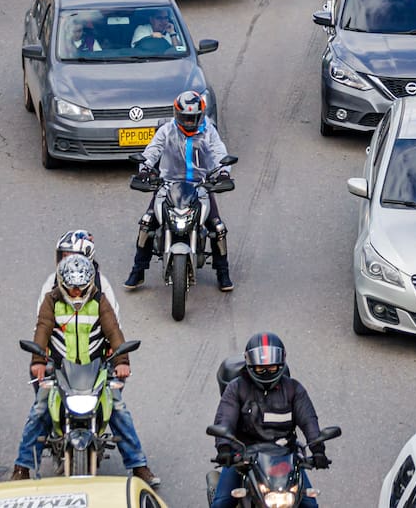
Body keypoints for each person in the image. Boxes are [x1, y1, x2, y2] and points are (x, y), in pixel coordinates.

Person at [11, 255, 157, 485]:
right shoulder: (51, 301)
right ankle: (22, 467)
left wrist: (122, 362)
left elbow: (113, 331)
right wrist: (38, 360)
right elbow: (42, 329)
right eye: (72, 289)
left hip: (96, 369)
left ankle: (139, 466)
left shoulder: (99, 301)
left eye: (81, 289)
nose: (77, 293)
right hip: (59, 369)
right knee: (40, 409)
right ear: (62, 283)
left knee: (118, 408)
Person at [124, 90, 235, 291]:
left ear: (200, 115)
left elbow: (219, 153)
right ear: (177, 114)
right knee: (147, 222)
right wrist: (145, 171)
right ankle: (138, 271)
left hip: (200, 186)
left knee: (218, 227)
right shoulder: (166, 131)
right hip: (167, 184)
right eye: (185, 117)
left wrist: (223, 173)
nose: (189, 122)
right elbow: (152, 151)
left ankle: (223, 272)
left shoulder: (209, 131)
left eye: (193, 118)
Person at [210, 332, 331, 508]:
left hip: (285, 458)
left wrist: (318, 450)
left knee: (311, 506)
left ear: (281, 364)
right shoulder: (235, 388)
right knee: (221, 504)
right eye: (261, 368)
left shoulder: (294, 390)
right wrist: (225, 449)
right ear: (250, 365)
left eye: (272, 367)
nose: (266, 372)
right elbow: (224, 419)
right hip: (244, 457)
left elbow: (309, 421)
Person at [36, 230, 120, 320]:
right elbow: (42, 318)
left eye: (74, 257)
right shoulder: (52, 283)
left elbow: (113, 319)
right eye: (65, 256)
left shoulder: (102, 284)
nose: (68, 261)